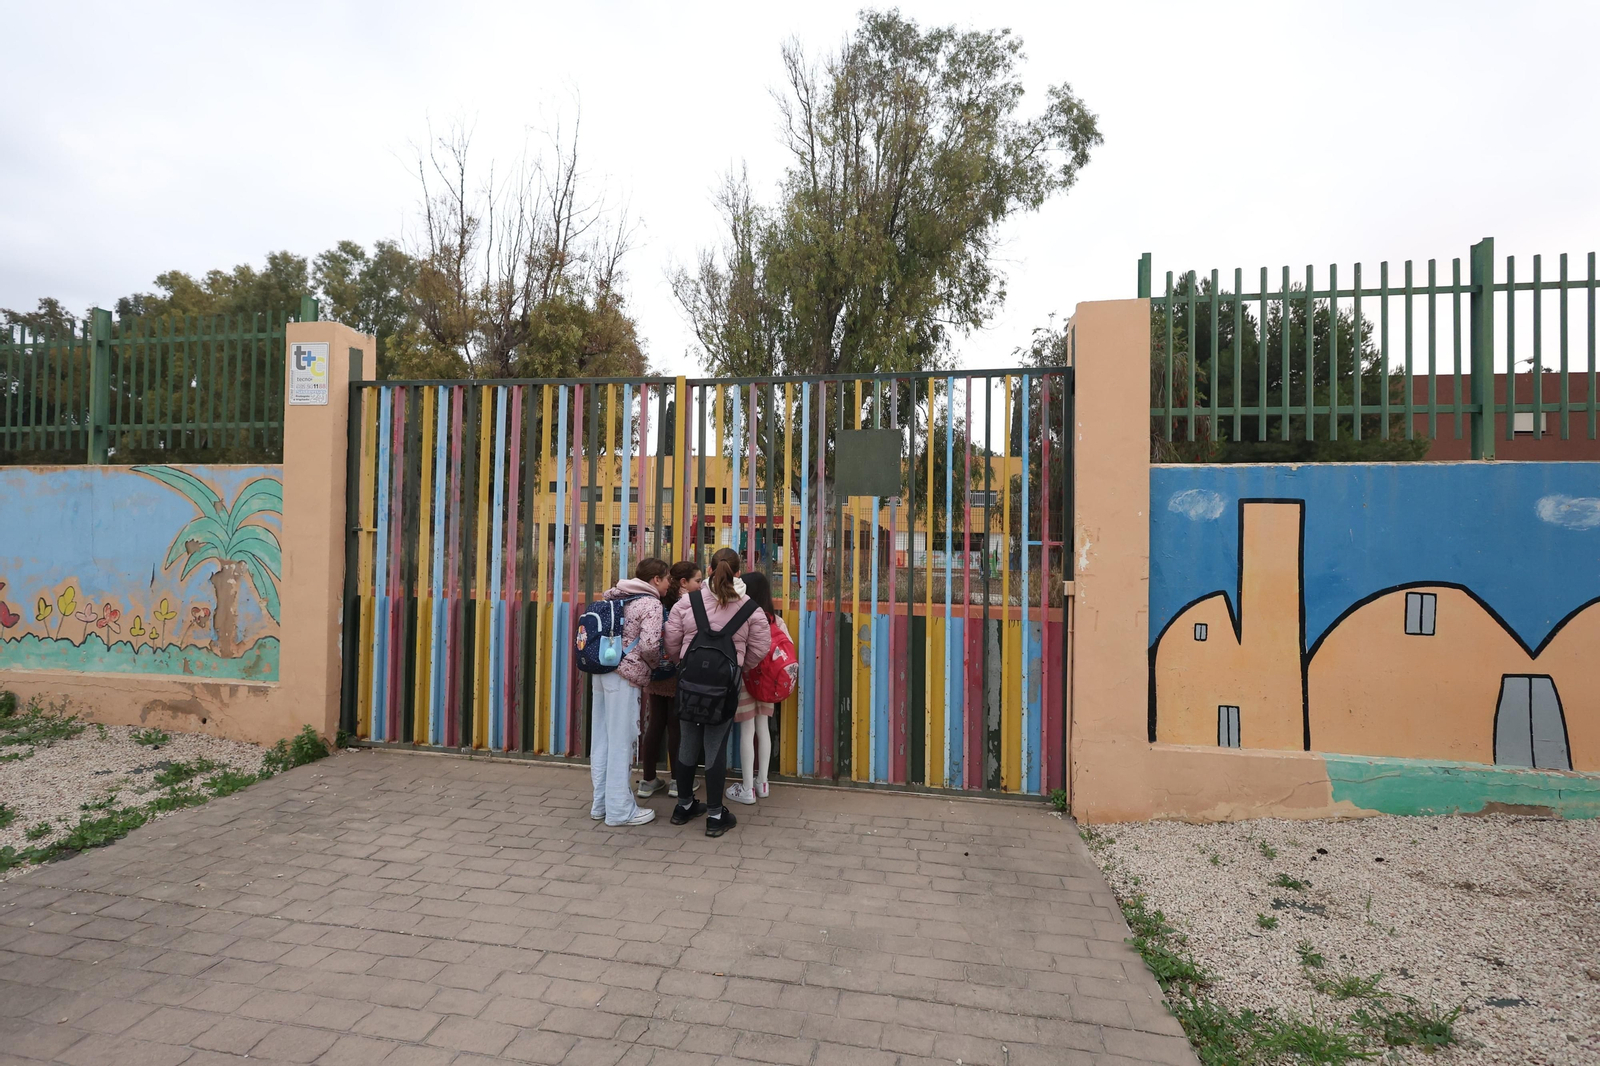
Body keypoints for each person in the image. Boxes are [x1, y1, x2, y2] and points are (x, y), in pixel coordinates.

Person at [662, 547, 770, 837]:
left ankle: (683, 807)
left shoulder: (687, 603)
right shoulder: (750, 608)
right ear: (737, 573)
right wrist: (736, 668)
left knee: (687, 743)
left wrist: (681, 663)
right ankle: (714, 815)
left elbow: (670, 639)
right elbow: (760, 648)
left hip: (689, 682)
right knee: (715, 746)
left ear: (708, 570)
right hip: (724, 687)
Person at [588, 558, 672, 827]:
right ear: (656, 580)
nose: (669, 584)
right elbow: (649, 645)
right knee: (622, 740)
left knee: (602, 738)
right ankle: (620, 810)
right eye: (667, 578)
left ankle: (600, 804)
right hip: (625, 676)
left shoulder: (615, 597)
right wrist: (656, 665)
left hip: (601, 670)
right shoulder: (650, 603)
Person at [724, 570, 794, 805]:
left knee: (746, 731)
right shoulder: (777, 620)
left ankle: (746, 789)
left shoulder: (742, 617)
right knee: (763, 728)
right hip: (768, 682)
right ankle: (762, 783)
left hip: (746, 679)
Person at [637, 560, 701, 800]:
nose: (702, 585)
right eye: (698, 580)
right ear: (684, 582)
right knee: (676, 726)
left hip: (655, 670)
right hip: (676, 670)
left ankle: (648, 779)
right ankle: (677, 780)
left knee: (655, 724)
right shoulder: (687, 604)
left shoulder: (658, 600)